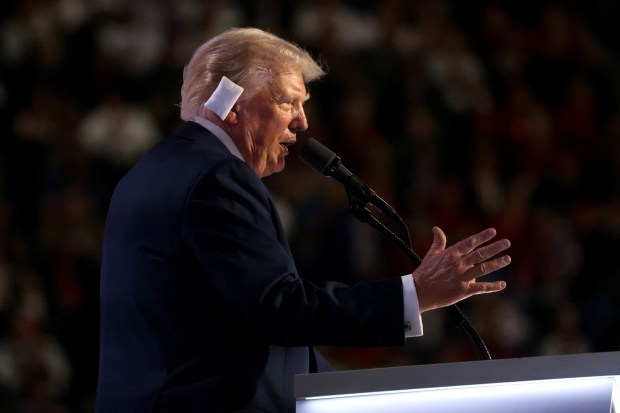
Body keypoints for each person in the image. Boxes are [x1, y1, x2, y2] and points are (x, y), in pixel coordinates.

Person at [95, 27, 511, 413]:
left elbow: (231, 324)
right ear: (232, 104)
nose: (302, 121)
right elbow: (279, 310)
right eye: (287, 101)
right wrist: (415, 293)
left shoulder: (148, 172)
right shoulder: (217, 176)